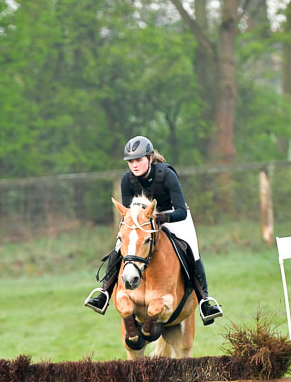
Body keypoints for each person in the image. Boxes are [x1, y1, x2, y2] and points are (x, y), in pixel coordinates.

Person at [84, 135, 223, 325]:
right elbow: (129, 215)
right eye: (130, 161)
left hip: (171, 216)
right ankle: (104, 293)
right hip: (142, 221)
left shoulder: (166, 175)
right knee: (119, 247)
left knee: (192, 250)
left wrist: (162, 218)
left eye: (139, 160)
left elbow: (181, 211)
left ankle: (205, 301)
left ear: (150, 159)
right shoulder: (127, 180)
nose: (134, 165)